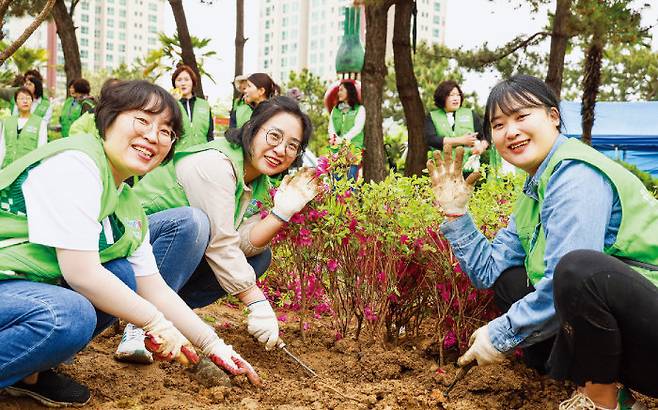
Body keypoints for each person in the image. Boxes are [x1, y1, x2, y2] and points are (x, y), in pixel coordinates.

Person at [0, 80, 260, 407]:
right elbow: (81, 274)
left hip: (17, 291)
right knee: (68, 315)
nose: (154, 136)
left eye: (166, 131)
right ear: (108, 119)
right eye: (142, 120)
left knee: (123, 275)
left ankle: (30, 372)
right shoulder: (76, 164)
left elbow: (155, 288)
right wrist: (154, 323)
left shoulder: (127, 205)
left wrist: (216, 346)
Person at [427, 74, 658, 410]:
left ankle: (602, 400)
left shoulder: (576, 175)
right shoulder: (535, 190)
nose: (511, 131)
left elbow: (573, 277)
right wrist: (456, 215)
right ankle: (601, 386)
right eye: (499, 124)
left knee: (578, 269)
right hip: (634, 339)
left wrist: (500, 334)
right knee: (512, 280)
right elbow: (489, 272)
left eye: (522, 117)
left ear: (553, 117)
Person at [114, 96, 320, 362]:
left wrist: (281, 213)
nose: (280, 150)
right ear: (252, 129)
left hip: (160, 263)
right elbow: (220, 243)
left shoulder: (257, 183)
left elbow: (244, 244)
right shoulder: (215, 164)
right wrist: (256, 302)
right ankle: (138, 325)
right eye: (274, 136)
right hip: (126, 248)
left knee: (259, 257)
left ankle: (172, 319)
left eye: (292, 145)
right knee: (193, 223)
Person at [425, 80, 494, 172]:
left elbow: (486, 136)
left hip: (469, 169)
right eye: (451, 95)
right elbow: (431, 140)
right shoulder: (432, 116)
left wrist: (481, 147)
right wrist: (461, 140)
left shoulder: (470, 114)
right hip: (443, 171)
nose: (456, 98)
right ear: (442, 97)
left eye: (458, 95)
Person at [0, 87, 48, 168]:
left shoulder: (40, 123)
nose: (25, 101)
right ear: (16, 102)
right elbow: (2, 147)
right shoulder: (7, 122)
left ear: (32, 102)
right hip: (7, 168)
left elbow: (42, 149)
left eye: (28, 98)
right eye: (21, 98)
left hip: (28, 170)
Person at [327, 80, 365, 180]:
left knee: (350, 180)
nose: (339, 93)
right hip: (337, 150)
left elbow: (357, 128)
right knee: (336, 181)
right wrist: (334, 139)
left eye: (341, 90)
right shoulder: (335, 109)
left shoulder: (360, 109)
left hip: (352, 149)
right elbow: (331, 128)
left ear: (350, 91)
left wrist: (342, 140)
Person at [171, 64, 214, 150]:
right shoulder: (171, 105)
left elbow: (210, 134)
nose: (183, 83)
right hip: (178, 155)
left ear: (192, 82)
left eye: (187, 79)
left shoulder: (204, 104)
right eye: (179, 80)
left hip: (202, 154)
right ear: (174, 83)